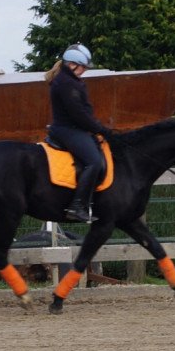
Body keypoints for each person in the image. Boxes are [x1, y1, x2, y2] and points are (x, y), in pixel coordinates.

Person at [46, 43, 112, 223]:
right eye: (83, 66)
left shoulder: (70, 81)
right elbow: (79, 115)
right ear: (72, 64)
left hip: (72, 128)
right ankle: (77, 206)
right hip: (68, 130)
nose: (84, 70)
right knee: (94, 162)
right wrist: (100, 129)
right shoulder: (66, 83)